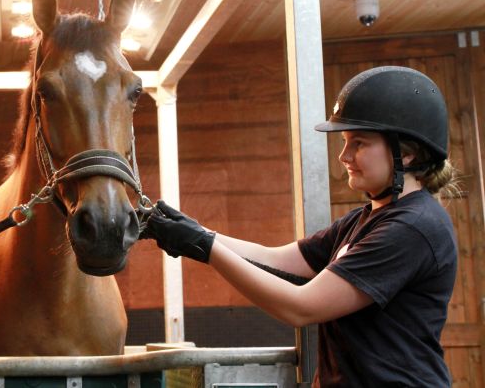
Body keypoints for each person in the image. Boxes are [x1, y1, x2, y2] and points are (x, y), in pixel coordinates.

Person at [142, 66, 459, 387]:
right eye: (345, 141)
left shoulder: (412, 228)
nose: (343, 156)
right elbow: (275, 259)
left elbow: (301, 307)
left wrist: (204, 247)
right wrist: (192, 233)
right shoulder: (365, 218)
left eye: (359, 143)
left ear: (405, 154)